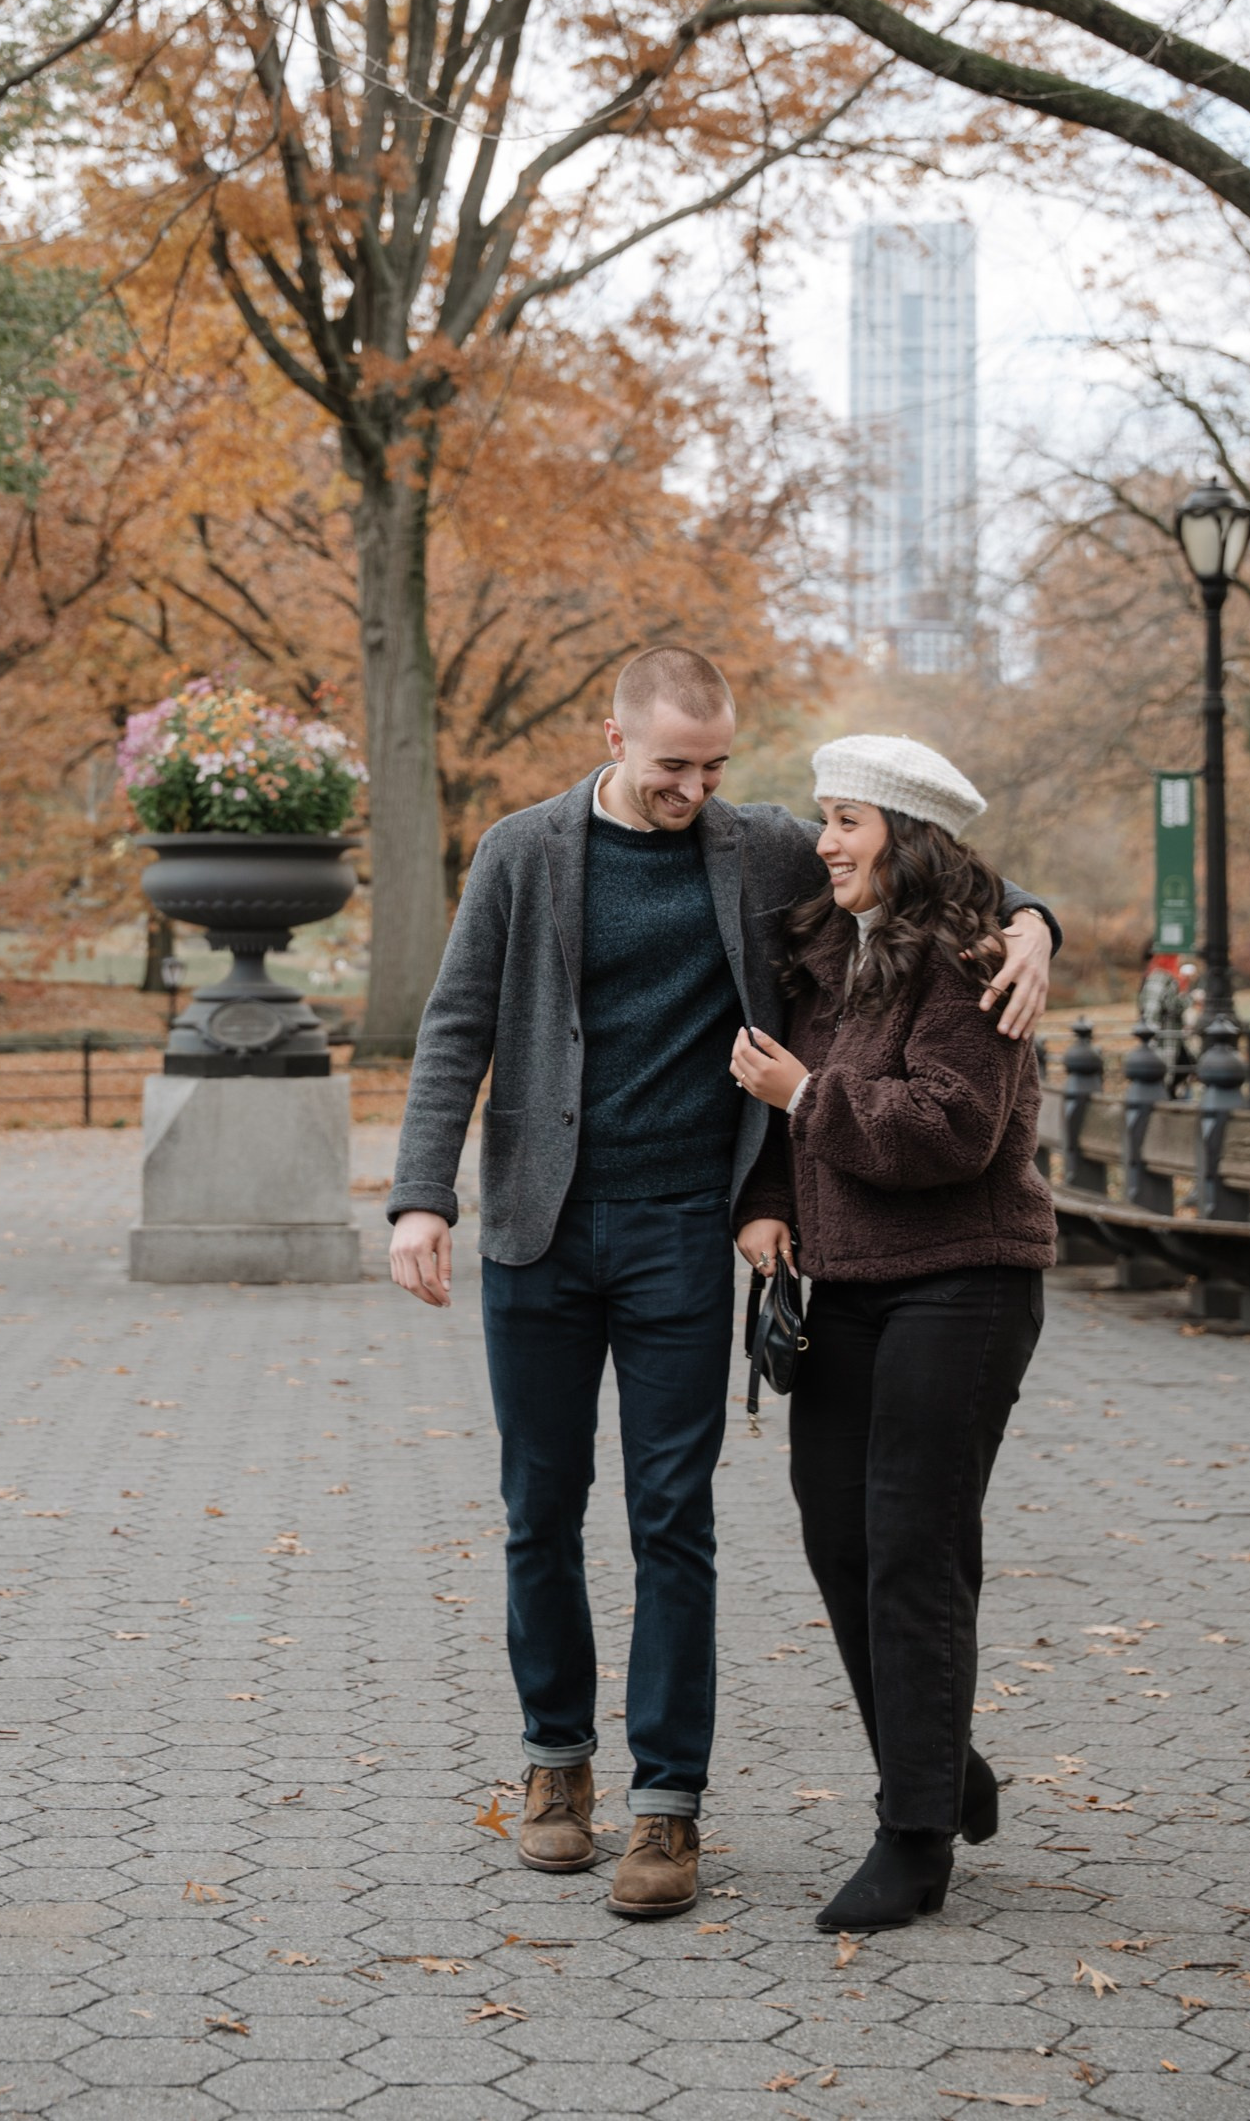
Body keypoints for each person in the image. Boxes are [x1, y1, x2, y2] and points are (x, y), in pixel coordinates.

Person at [387, 651, 1058, 1920]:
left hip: (680, 1234)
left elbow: (925, 857)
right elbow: (453, 1025)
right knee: (538, 1508)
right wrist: (422, 1194)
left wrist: (1034, 921)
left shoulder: (752, 846)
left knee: (670, 1517)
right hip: (536, 1228)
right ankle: (555, 1771)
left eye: (713, 769)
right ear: (613, 738)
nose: (693, 789)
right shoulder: (519, 853)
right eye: (669, 767)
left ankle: (668, 1808)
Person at [731, 733, 1057, 1934]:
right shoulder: (825, 953)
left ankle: (912, 1837)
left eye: (848, 821)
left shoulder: (974, 964)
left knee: (914, 1548)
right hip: (847, 1284)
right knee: (837, 1537)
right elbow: (775, 1119)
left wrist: (803, 1098)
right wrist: (764, 1207)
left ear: (907, 839)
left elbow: (951, 1129)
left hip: (963, 1283)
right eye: (822, 817)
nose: (823, 843)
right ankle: (945, 1766)